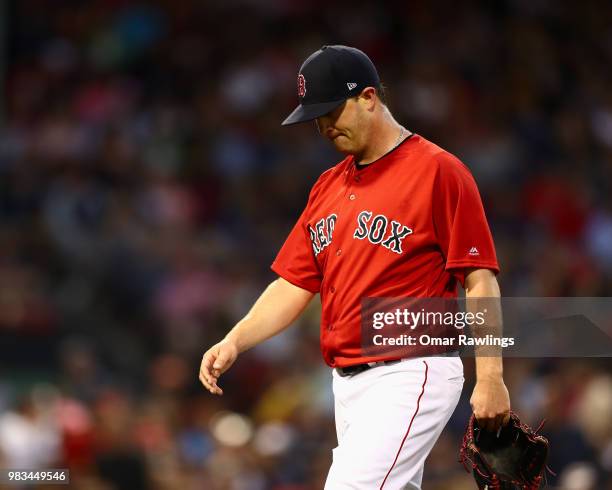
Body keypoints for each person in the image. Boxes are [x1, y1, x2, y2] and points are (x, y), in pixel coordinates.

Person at [199, 45, 510, 489]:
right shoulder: (327, 186)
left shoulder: (439, 171)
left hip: (411, 370)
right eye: (316, 118)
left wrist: (491, 376)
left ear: (368, 97)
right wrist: (235, 340)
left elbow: (479, 281)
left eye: (331, 111)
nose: (324, 126)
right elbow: (294, 282)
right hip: (346, 385)